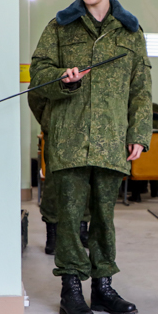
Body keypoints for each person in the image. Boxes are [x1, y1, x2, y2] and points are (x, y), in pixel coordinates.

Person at [29, 0, 151, 314]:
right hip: (69, 138)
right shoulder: (60, 27)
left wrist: (139, 134)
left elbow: (141, 88)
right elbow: (37, 75)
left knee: (103, 218)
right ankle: (71, 291)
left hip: (111, 141)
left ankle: (103, 288)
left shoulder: (130, 32)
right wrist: (60, 82)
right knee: (68, 218)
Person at [29, 91, 91, 255]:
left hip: (88, 132)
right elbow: (36, 95)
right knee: (54, 183)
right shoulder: (55, 66)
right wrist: (49, 120)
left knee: (86, 182)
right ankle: (53, 236)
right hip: (58, 131)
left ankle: (82, 230)